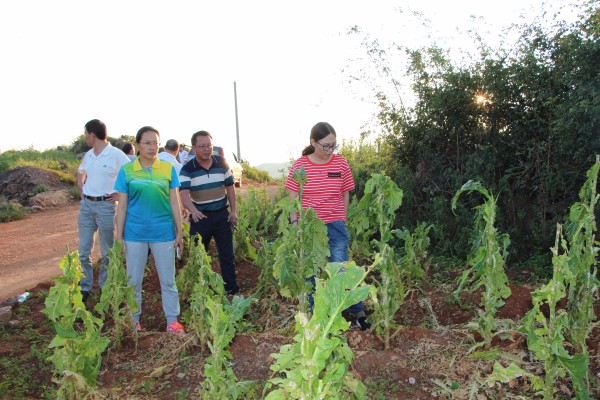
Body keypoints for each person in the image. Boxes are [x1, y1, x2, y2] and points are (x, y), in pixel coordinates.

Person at [284, 121, 370, 330]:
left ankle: (356, 311)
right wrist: (295, 223)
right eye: (326, 146)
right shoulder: (300, 166)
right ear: (313, 142)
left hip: (335, 225)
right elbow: (291, 197)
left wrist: (343, 217)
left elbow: (346, 192)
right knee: (311, 273)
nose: (330, 150)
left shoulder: (340, 164)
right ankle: (318, 318)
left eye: (333, 145)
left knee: (341, 270)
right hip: (310, 229)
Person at [114, 126, 185, 334]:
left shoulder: (167, 169)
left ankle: (172, 321)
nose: (152, 147)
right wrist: (119, 236)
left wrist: (179, 232)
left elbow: (174, 202)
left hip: (163, 233)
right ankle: (133, 320)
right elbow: (123, 206)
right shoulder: (127, 171)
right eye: (147, 142)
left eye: (155, 142)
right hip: (134, 234)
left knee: (168, 280)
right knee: (133, 281)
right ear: (137, 145)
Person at [179, 130, 239, 295]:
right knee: (199, 255)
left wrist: (233, 211)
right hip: (201, 219)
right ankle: (202, 290)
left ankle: (231, 289)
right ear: (194, 148)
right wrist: (193, 211)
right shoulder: (187, 169)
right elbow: (183, 192)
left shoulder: (221, 163)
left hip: (222, 216)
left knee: (227, 255)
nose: (206, 149)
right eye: (202, 146)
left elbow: (230, 187)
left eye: (209, 146)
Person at [77, 119, 130, 302]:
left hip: (106, 207)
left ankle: (105, 288)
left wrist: (121, 195)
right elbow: (80, 171)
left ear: (92, 134)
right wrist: (81, 190)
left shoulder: (116, 154)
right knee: (83, 250)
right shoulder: (89, 155)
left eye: (86, 134)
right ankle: (85, 287)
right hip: (87, 207)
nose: (85, 138)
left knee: (107, 252)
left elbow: (130, 175)